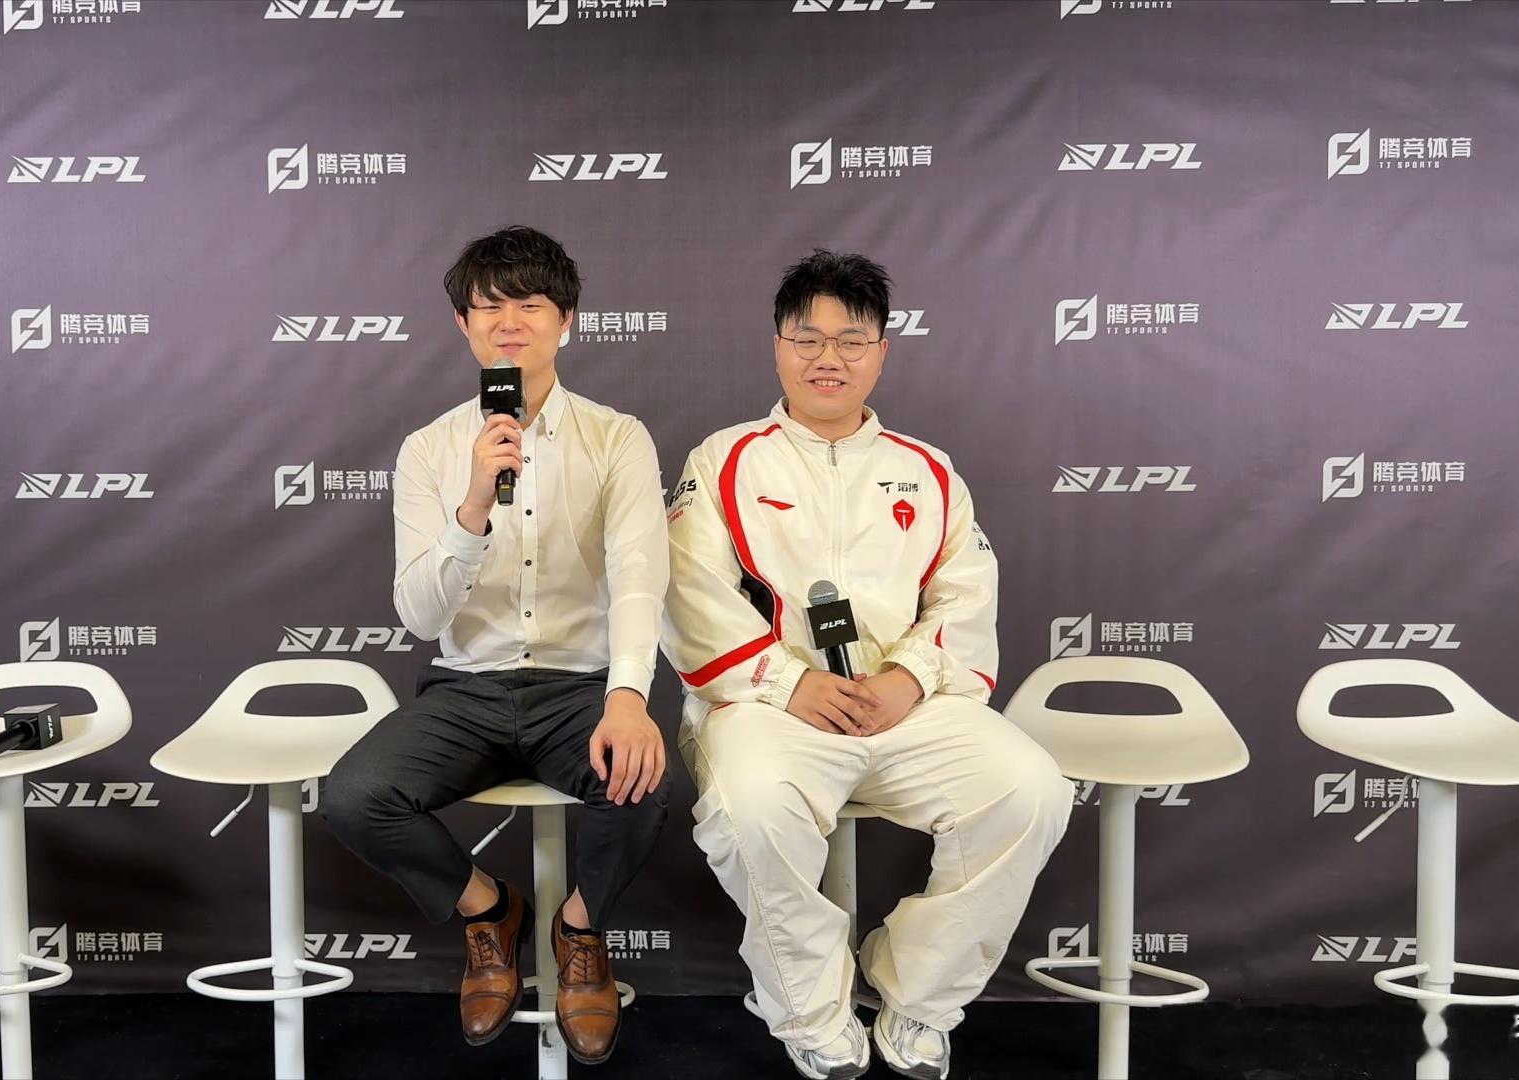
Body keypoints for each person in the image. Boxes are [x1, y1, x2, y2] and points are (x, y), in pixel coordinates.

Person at [661, 250, 1074, 1079]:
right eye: (808, 339)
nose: (829, 359)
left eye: (851, 341)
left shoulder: (927, 470)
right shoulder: (727, 459)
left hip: (905, 706)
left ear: (881, 352)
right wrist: (790, 681)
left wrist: (908, 678)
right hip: (768, 707)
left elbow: (964, 594)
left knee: (1031, 790)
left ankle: (917, 995)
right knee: (749, 810)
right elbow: (689, 592)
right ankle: (813, 1009)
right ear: (778, 347)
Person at [322, 225, 671, 1066]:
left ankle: (578, 931)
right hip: (466, 689)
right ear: (463, 325)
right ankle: (491, 911)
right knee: (354, 797)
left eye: (530, 305)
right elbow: (418, 615)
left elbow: (638, 576)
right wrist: (473, 503)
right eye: (489, 307)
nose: (509, 322)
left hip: (579, 686)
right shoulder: (430, 450)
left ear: (567, 320)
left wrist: (629, 696)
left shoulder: (617, 437)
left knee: (642, 783)